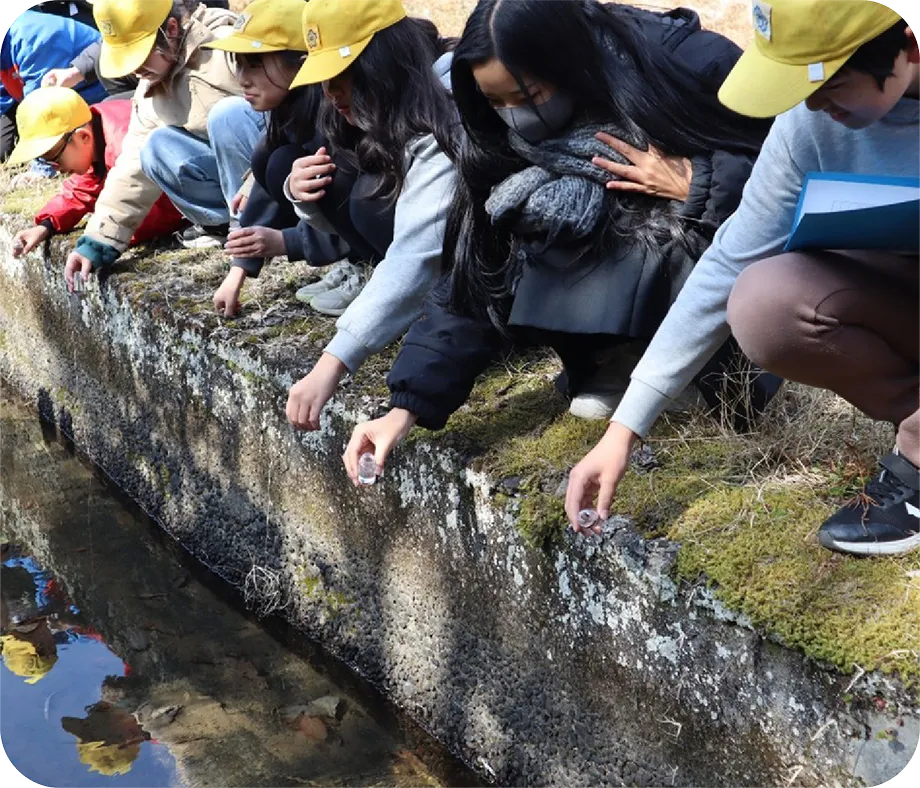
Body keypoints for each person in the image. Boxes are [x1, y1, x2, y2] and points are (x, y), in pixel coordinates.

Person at [342, 0, 773, 482]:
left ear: (569, 65)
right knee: (538, 213)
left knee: (629, 207)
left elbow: (789, 165)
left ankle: (713, 376)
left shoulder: (687, 65)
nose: (515, 117)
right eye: (496, 102)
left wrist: (699, 182)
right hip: (619, 276)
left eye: (531, 95)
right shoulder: (497, 139)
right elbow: (477, 271)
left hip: (721, 264)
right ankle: (608, 365)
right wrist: (406, 406)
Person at [564, 0, 920, 554]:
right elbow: (729, 262)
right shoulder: (809, 126)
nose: (816, 107)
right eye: (803, 90)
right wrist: (625, 429)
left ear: (907, 47)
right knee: (764, 302)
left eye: (830, 85)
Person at [282, 0, 458, 430]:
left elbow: (417, 251)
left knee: (367, 199)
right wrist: (299, 194)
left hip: (473, 273)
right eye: (323, 79)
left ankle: (433, 314)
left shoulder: (446, 107)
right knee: (342, 183)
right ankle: (402, 306)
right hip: (414, 257)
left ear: (382, 61)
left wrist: (334, 362)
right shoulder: (372, 111)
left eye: (342, 76)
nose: (330, 93)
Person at [62, 0, 242, 290]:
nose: (135, 71)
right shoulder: (151, 88)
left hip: (272, 174)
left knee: (229, 116)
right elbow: (132, 166)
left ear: (171, 29)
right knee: (155, 146)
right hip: (229, 188)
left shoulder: (228, 47)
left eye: (140, 56)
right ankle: (224, 225)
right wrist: (97, 241)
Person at [207, 0, 348, 316]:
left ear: (300, 63)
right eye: (240, 64)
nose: (243, 79)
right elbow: (265, 184)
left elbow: (371, 204)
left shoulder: (339, 115)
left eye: (255, 64)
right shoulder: (290, 108)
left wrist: (290, 241)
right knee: (274, 163)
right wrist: (237, 272)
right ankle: (356, 259)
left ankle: (368, 263)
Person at [6, 86, 185, 259]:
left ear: (83, 137)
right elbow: (80, 191)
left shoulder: (124, 146)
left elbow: (150, 215)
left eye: (54, 157)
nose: (54, 168)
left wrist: (97, 236)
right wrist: (45, 226)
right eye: (44, 160)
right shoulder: (95, 129)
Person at [0, 6, 106, 163]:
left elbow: (44, 110)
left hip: (91, 92)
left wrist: (43, 167)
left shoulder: (32, 37)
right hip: (22, 92)